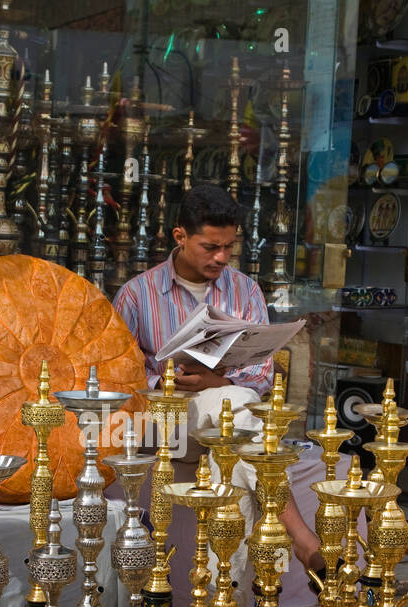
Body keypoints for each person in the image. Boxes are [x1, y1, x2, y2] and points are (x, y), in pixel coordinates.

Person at [112, 184, 324, 574]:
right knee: (237, 414)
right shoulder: (136, 295)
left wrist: (216, 382)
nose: (222, 257)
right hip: (164, 424)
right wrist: (164, 382)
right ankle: (301, 537)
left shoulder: (245, 289)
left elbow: (261, 370)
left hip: (223, 414)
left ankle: (226, 604)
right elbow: (114, 372)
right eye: (211, 247)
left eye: (229, 247)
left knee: (233, 440)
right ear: (180, 236)